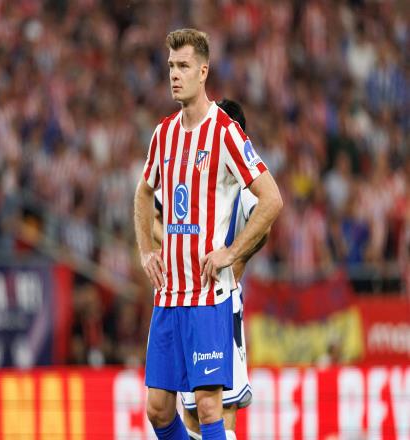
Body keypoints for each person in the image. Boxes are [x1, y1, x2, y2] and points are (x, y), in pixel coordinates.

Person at [134, 28, 282, 440]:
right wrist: (146, 250)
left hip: (207, 296)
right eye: (170, 66)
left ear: (203, 72)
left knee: (210, 406)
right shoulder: (163, 134)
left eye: (183, 66)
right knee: (158, 410)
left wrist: (231, 253)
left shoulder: (224, 132)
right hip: (169, 295)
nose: (174, 74)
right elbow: (143, 192)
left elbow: (271, 199)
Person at [153, 99, 269, 440]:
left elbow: (265, 222)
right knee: (188, 411)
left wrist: (235, 257)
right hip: (183, 296)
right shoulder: (187, 170)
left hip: (220, 299)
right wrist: (176, 245)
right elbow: (155, 216)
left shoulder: (239, 181)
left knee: (219, 408)